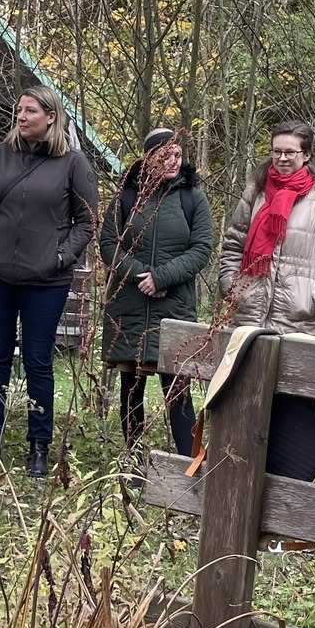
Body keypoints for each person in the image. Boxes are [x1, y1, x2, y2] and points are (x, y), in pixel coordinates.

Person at [0, 87, 98, 479]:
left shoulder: (73, 163)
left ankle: (39, 444)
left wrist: (60, 256)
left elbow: (86, 220)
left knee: (38, 361)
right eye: (18, 110)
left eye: (30, 111)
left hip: (46, 281)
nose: (21, 117)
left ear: (51, 116)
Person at [216, 121, 315, 481]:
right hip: (251, 316)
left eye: (290, 152)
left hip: (299, 320)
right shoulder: (256, 193)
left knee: (293, 412)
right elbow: (232, 245)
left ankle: (286, 487)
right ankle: (240, 482)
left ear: (306, 155)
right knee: (247, 404)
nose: (282, 158)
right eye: (277, 151)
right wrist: (234, 287)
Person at [99, 128, 213, 458]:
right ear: (148, 157)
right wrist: (138, 275)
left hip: (174, 306)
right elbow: (109, 244)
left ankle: (190, 463)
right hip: (130, 306)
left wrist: (161, 277)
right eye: (165, 156)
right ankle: (132, 460)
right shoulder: (126, 197)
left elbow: (202, 247)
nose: (173, 161)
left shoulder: (193, 197)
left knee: (178, 390)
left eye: (177, 155)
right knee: (131, 387)